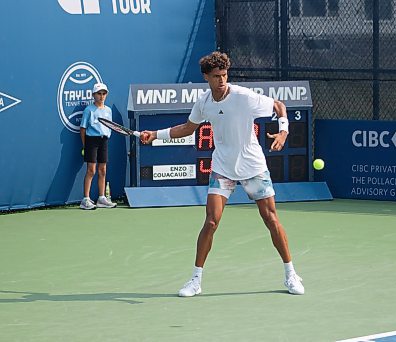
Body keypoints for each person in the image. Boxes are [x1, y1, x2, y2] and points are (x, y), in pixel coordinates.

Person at [140, 51, 304, 296]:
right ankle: (195, 280)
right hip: (223, 167)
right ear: (206, 77)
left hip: (253, 166)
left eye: (225, 75)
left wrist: (283, 131)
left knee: (271, 219)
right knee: (211, 221)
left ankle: (291, 274)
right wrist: (156, 135)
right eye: (216, 76)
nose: (222, 80)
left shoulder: (243, 97)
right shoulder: (203, 102)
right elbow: (187, 128)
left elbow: (279, 106)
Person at [79, 83, 117, 210]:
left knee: (103, 170)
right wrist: (85, 146)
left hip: (104, 141)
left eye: (104, 94)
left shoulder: (108, 110)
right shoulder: (89, 110)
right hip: (91, 141)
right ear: (94, 95)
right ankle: (85, 199)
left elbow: (109, 126)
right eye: (99, 94)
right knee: (91, 170)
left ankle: (101, 198)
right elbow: (83, 129)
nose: (101, 96)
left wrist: (106, 136)